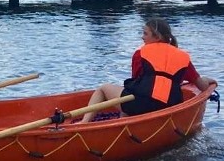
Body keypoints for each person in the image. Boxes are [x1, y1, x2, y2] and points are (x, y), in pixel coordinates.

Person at [79, 18, 216, 123]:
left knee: (103, 88)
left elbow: (136, 83)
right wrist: (208, 80)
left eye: (145, 33)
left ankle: (84, 123)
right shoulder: (182, 57)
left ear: (157, 37)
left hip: (142, 104)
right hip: (171, 107)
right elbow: (202, 86)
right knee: (130, 101)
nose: (142, 37)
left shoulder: (141, 53)